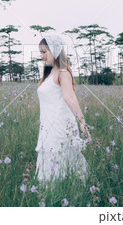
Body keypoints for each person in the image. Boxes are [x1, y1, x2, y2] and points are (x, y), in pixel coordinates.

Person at [35, 34, 92, 186]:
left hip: (60, 126)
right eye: (40, 52)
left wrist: (82, 121)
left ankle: (66, 193)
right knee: (50, 160)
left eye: (44, 51)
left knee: (61, 161)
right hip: (47, 126)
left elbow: (70, 98)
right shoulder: (49, 75)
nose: (42, 56)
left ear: (54, 50)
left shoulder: (63, 72)